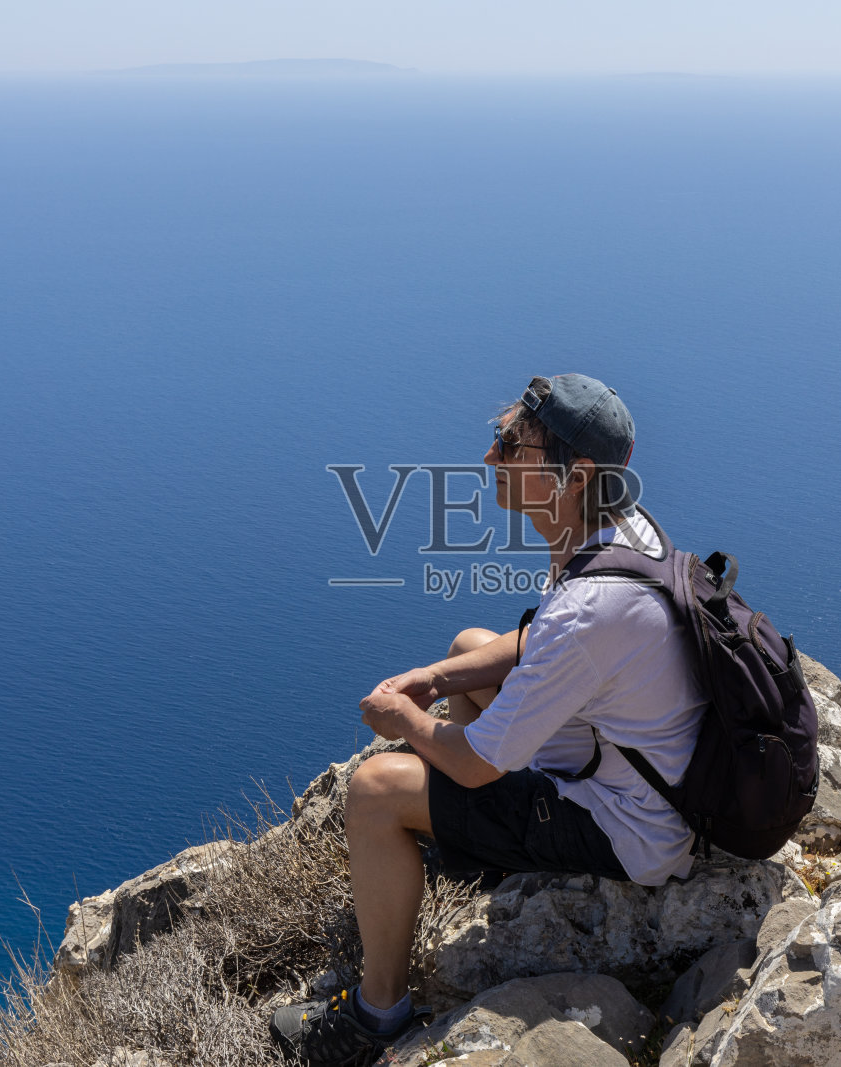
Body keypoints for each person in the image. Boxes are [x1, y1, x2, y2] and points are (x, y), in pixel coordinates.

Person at [271, 374, 706, 1066]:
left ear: (575, 473)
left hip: (625, 829)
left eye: (510, 445)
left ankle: (375, 1013)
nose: (490, 461)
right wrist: (435, 679)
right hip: (641, 773)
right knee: (469, 647)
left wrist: (404, 717)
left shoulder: (591, 606)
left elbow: (475, 761)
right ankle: (484, 847)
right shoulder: (620, 527)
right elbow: (536, 642)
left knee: (377, 790)